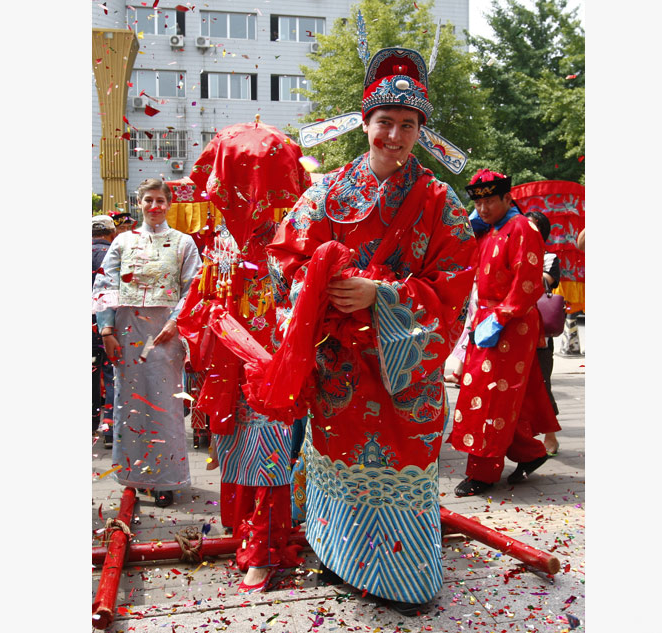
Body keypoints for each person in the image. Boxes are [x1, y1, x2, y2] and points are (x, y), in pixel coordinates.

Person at [264, 47, 476, 615]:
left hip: (403, 374)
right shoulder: (327, 193)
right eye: (386, 123)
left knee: (402, 472)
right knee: (339, 470)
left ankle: (407, 581)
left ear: (420, 132)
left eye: (409, 126)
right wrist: (322, 286)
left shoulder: (439, 201)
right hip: (341, 370)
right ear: (365, 123)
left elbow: (457, 279)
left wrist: (383, 295)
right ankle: (339, 559)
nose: (396, 136)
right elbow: (285, 261)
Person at [176, 119, 313, 593]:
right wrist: (184, 322)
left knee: (269, 458)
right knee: (236, 454)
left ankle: (265, 549)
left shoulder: (286, 237)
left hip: (270, 365)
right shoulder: (221, 240)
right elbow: (204, 291)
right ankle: (247, 539)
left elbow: (296, 302)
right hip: (227, 366)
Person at [448, 169, 559, 497]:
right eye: (478, 202)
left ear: (508, 198)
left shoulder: (522, 228)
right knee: (507, 396)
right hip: (487, 319)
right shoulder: (489, 229)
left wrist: (499, 318)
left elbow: (528, 283)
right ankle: (530, 453)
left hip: (511, 322)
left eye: (489, 201)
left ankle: (482, 472)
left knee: (489, 396)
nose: (482, 208)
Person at [92, 179, 201, 508]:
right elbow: (105, 283)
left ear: (169, 204)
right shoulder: (123, 242)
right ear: (139, 204)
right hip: (127, 329)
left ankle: (165, 478)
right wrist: (107, 331)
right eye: (148, 200)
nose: (154, 207)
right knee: (131, 404)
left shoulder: (184, 243)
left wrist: (175, 321)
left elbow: (193, 288)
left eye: (160, 201)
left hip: (166, 330)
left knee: (165, 405)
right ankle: (133, 474)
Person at [525, 210, 561, 455]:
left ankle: (551, 437)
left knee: (542, 384)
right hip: (513, 332)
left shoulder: (549, 258)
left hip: (540, 337)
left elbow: (546, 281)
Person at [92, 215, 117, 448]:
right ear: (112, 233)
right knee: (111, 376)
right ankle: (109, 430)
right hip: (104, 325)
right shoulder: (112, 254)